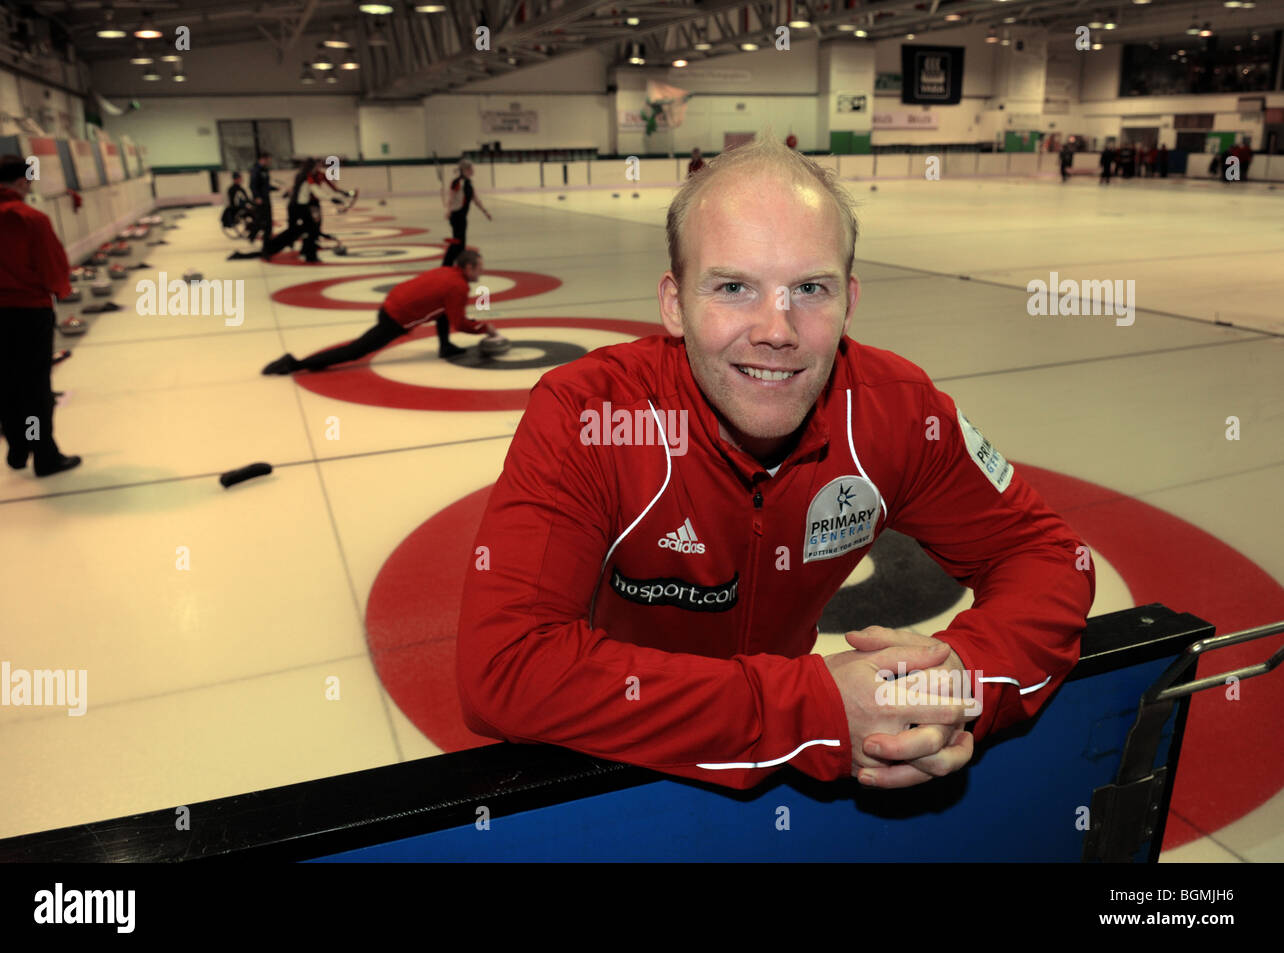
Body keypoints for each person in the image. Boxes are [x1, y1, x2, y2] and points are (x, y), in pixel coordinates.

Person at [456, 133, 1095, 792]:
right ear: (674, 304)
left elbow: (1048, 554)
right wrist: (811, 710)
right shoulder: (589, 414)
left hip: (795, 765)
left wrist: (959, 678)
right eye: (733, 286)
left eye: (810, 288)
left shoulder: (899, 411)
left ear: (850, 298)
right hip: (617, 754)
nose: (777, 329)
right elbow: (505, 667)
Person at [0, 155, 80, 476]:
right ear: (23, 181)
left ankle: (18, 447)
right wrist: (61, 290)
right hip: (28, 313)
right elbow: (53, 268)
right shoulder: (30, 218)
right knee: (34, 388)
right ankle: (43, 453)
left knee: (8, 382)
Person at [261, 249, 497, 373]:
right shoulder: (458, 286)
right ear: (468, 267)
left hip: (391, 304)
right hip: (396, 318)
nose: (481, 272)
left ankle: (445, 346)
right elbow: (459, 322)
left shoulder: (447, 272)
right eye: (480, 268)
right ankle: (295, 363)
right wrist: (485, 328)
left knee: (442, 311)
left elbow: (444, 311)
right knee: (355, 351)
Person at [441, 159, 491, 268]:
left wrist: (485, 211)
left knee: (461, 243)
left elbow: (475, 199)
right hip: (456, 215)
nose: (473, 170)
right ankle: (446, 265)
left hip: (462, 216)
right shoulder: (457, 182)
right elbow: (451, 197)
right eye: (471, 169)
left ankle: (458, 265)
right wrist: (448, 211)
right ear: (466, 170)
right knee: (457, 242)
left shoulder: (469, 183)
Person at [248, 151, 274, 245]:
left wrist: (274, 188)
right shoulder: (256, 170)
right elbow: (252, 185)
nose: (269, 162)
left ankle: (267, 239)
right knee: (260, 220)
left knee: (268, 220)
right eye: (268, 160)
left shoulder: (265, 170)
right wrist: (257, 197)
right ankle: (252, 236)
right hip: (260, 199)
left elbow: (265, 185)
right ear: (263, 159)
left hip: (266, 198)